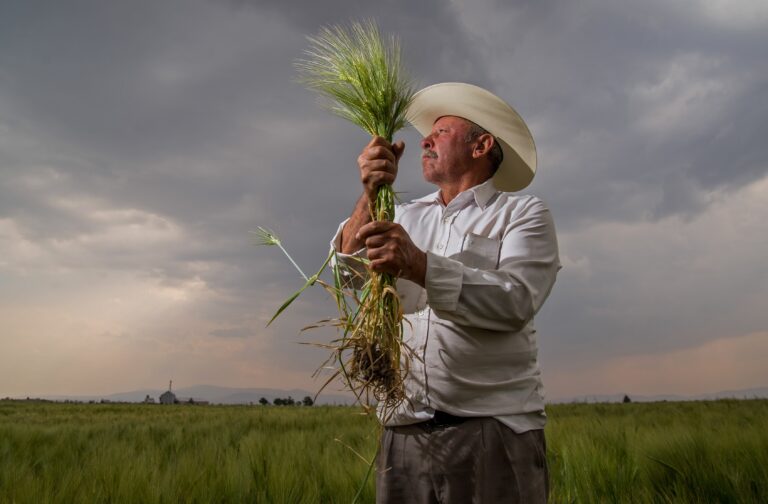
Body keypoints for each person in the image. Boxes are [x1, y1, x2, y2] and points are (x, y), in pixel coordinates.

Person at [331, 82, 560, 503]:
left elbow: (516, 300)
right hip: (403, 431)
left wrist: (419, 265)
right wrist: (370, 191)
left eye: (442, 131)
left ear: (482, 145)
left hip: (492, 431)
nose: (425, 140)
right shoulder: (403, 214)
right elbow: (348, 275)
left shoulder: (521, 213)